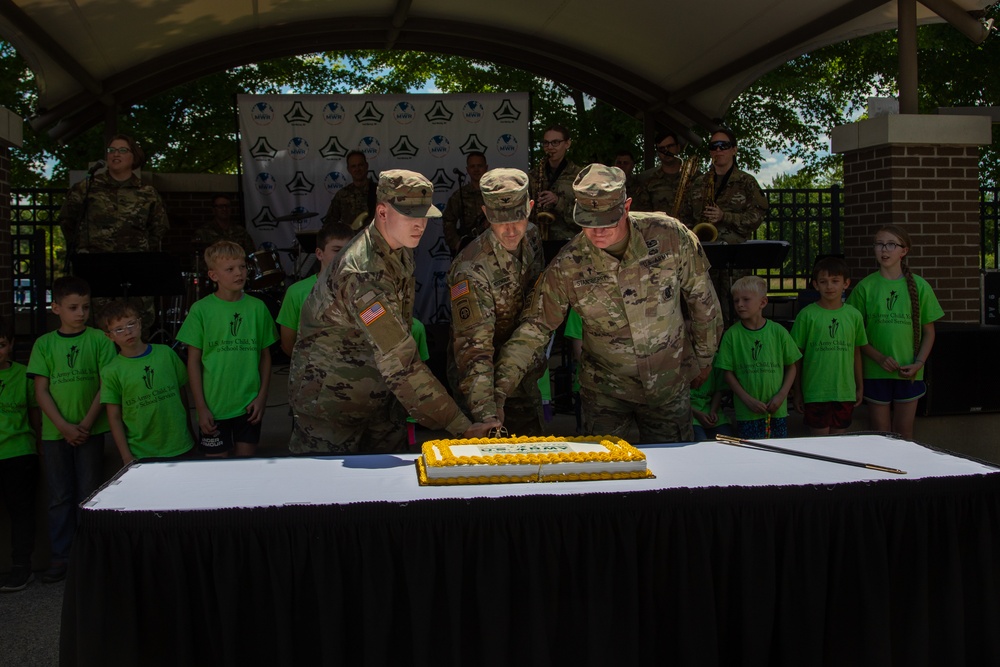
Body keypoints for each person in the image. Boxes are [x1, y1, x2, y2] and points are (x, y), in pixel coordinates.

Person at [494, 164, 723, 444]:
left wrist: (704, 358)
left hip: (667, 385)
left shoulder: (670, 237)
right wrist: (499, 389)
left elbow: (703, 301)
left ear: (626, 206)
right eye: (588, 221)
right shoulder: (569, 264)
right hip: (606, 393)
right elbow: (536, 329)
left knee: (673, 470)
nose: (597, 231)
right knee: (607, 473)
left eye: (606, 220)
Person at [288, 169, 498, 454]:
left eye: (424, 215)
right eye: (410, 215)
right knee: (328, 495)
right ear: (383, 212)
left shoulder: (398, 247)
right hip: (333, 408)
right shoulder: (362, 272)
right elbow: (400, 360)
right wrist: (460, 425)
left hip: (380, 402)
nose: (420, 225)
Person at [26, 276, 116, 583]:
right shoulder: (44, 344)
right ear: (56, 308)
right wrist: (64, 426)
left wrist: (87, 424)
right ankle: (61, 556)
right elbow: (41, 391)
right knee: (59, 496)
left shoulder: (100, 340)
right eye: (73, 307)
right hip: (55, 434)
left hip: (90, 430)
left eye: (86, 307)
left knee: (89, 493)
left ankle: (88, 554)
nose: (81, 313)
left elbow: (107, 385)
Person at [448, 168, 546, 436]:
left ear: (530, 208)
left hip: (522, 373)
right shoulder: (469, 268)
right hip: (481, 383)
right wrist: (486, 413)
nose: (511, 230)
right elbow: (473, 348)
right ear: (485, 213)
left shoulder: (534, 238)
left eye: (518, 218)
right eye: (500, 221)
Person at [58, 134, 170, 331]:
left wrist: (140, 251)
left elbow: (158, 228)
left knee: (135, 323)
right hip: (97, 268)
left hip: (135, 270)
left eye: (122, 150)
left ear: (133, 157)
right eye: (111, 150)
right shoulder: (87, 188)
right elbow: (68, 222)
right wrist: (84, 249)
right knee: (99, 325)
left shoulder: (147, 192)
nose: (115, 154)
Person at [176, 241, 277, 457]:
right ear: (213, 276)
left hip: (248, 405)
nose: (239, 273)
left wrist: (262, 397)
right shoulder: (201, 310)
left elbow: (265, 356)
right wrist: (201, 407)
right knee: (216, 469)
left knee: (246, 463)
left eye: (242, 267)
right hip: (215, 406)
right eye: (230, 269)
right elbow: (193, 361)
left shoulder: (258, 308)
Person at [846, 225, 943, 441]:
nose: (884, 249)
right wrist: (878, 357)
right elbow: (855, 335)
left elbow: (929, 332)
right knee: (880, 434)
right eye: (879, 244)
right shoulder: (865, 287)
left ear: (904, 251)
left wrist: (919, 363)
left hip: (908, 372)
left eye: (891, 244)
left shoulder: (920, 286)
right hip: (875, 371)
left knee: (904, 434)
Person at [100, 300, 196, 466]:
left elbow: (182, 395)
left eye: (131, 324)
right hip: (142, 451)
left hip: (181, 444)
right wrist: (126, 456)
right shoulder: (111, 371)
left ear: (140, 323)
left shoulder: (166, 354)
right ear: (109, 336)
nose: (127, 332)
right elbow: (114, 417)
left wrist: (191, 431)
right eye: (119, 329)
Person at [714, 276, 801, 439]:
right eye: (736, 300)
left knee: (778, 453)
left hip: (777, 409)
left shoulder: (778, 332)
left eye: (746, 299)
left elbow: (792, 366)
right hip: (747, 412)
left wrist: (782, 395)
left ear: (762, 302)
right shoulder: (732, 335)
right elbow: (727, 373)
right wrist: (747, 400)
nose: (740, 304)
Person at [791, 257, 867, 436]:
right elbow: (796, 356)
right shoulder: (807, 315)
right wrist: (797, 391)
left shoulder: (854, 316)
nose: (829, 287)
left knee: (838, 443)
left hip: (844, 391)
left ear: (846, 283)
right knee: (819, 443)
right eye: (823, 282)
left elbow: (856, 353)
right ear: (815, 285)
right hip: (815, 391)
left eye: (835, 281)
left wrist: (859, 386)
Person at [0, 319, 41, 593]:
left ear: (12, 345)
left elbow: (35, 415)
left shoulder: (24, 374)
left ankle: (21, 568)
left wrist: (39, 448)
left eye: (2, 345)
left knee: (21, 512)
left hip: (19, 454)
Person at [276, 223, 353, 357]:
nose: (343, 255)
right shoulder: (296, 292)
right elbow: (288, 344)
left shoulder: (363, 288)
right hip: (312, 374)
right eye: (336, 250)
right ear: (319, 253)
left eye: (348, 249)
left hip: (356, 373)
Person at [683, 128, 768, 243]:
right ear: (710, 152)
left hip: (734, 251)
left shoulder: (747, 181)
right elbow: (685, 216)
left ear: (734, 150)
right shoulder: (698, 182)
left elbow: (757, 217)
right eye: (714, 146)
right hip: (701, 250)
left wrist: (724, 216)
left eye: (724, 145)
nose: (718, 149)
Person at [528, 124, 581, 240]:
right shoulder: (533, 175)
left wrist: (558, 202)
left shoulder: (580, 176)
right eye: (546, 143)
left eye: (555, 142)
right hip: (538, 241)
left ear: (567, 144)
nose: (550, 147)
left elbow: (585, 216)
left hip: (568, 242)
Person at [632, 131, 692, 216]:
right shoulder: (648, 182)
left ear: (678, 147)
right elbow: (643, 215)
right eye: (661, 149)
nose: (666, 151)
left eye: (670, 146)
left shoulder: (694, 177)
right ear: (658, 153)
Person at [442, 151, 490, 254]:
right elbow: (448, 220)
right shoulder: (459, 195)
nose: (476, 170)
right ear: (467, 170)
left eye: (479, 166)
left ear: (486, 168)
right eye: (472, 166)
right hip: (467, 248)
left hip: (492, 246)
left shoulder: (494, 193)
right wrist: (457, 244)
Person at [323, 150, 377, 230]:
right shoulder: (341, 195)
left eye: (360, 165)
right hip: (349, 240)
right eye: (353, 166)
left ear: (366, 166)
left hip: (373, 239)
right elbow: (329, 223)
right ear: (348, 169)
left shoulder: (378, 191)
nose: (357, 169)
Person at [690, 364, 734, 442]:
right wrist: (697, 414)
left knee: (727, 440)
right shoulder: (683, 361)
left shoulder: (715, 361)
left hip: (713, 412)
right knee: (701, 441)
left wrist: (713, 410)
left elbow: (719, 390)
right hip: (689, 413)